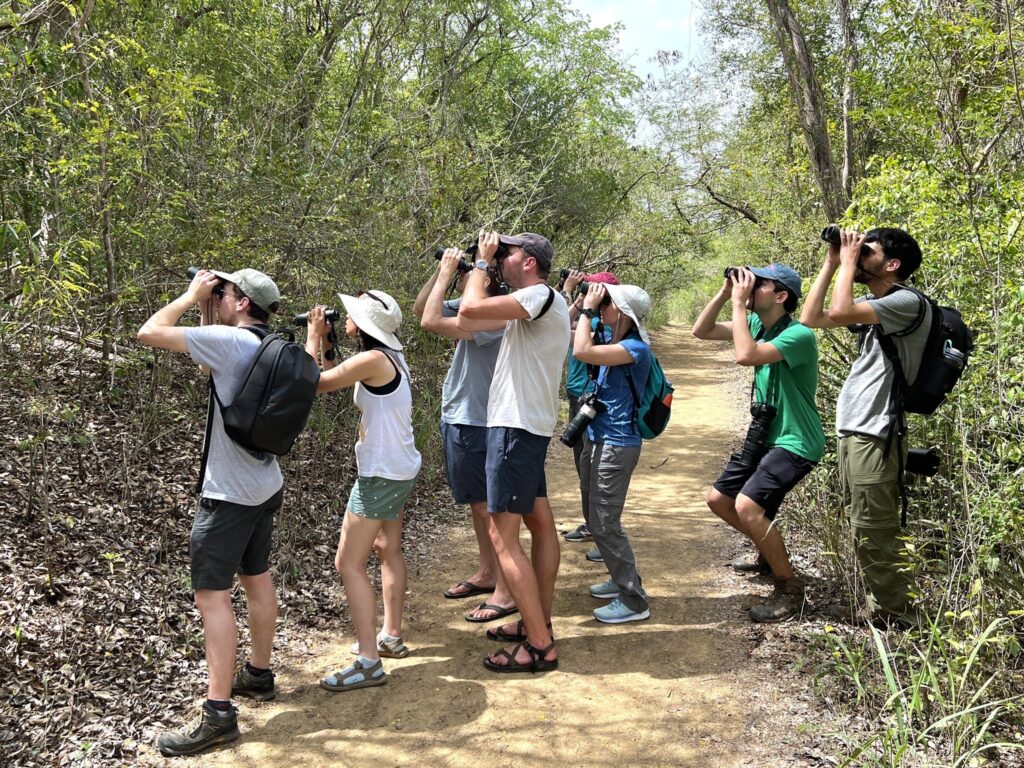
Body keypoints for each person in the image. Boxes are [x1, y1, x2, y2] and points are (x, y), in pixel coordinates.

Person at [137, 268, 285, 756]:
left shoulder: (229, 340)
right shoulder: (268, 345)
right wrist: (209, 305)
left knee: (210, 597)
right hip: (265, 485)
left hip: (228, 496)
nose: (218, 297)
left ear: (242, 303)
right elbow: (209, 372)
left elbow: (149, 333)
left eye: (225, 293)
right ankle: (258, 675)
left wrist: (188, 295)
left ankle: (218, 715)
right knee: (256, 577)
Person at [801, 227, 929, 627]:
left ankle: (902, 618)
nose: (857, 252)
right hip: (858, 429)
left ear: (892, 265)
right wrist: (831, 262)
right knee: (863, 524)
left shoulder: (906, 301)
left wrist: (849, 262)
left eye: (867, 250)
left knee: (875, 528)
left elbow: (837, 312)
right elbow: (811, 317)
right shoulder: (879, 307)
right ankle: (883, 608)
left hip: (877, 432)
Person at [457, 230, 569, 673]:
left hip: (514, 426)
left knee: (502, 535)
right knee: (539, 522)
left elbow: (468, 309)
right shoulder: (541, 302)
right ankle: (536, 623)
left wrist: (482, 263)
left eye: (508, 252)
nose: (501, 257)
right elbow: (465, 322)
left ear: (530, 262)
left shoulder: (539, 293)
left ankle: (540, 645)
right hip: (528, 424)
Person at [693, 264, 824, 622]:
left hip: (796, 440)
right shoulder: (755, 325)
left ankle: (789, 589)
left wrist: (738, 303)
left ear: (781, 296)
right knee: (719, 499)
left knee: (748, 506)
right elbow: (700, 330)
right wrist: (725, 294)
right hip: (765, 435)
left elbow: (745, 355)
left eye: (760, 283)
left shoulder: (798, 335)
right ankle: (767, 550)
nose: (750, 287)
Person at [305, 291, 422, 691]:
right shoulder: (388, 357)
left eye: (352, 315)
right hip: (399, 467)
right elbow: (342, 376)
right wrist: (329, 342)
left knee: (347, 563)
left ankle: (369, 662)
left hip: (381, 474)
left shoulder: (374, 359)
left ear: (366, 324)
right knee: (387, 549)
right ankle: (390, 636)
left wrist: (312, 335)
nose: (347, 317)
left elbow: (317, 383)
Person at [413, 250, 516, 622]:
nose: (461, 276)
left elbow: (429, 322)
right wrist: (441, 271)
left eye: (469, 272)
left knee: (493, 509)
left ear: (485, 279)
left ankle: (506, 590)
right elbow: (420, 307)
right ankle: (489, 573)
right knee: (477, 504)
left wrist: (451, 274)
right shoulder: (474, 305)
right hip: (462, 414)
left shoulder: (494, 313)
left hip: (480, 418)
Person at [572, 282, 653, 623]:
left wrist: (589, 311)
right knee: (594, 516)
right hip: (597, 437)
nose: (601, 308)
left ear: (621, 312)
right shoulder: (613, 341)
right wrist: (580, 304)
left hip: (618, 443)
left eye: (607, 304)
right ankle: (623, 580)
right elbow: (574, 337)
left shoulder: (635, 348)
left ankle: (635, 601)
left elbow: (581, 352)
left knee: (605, 522)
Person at [558, 269, 621, 551]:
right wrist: (573, 294)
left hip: (593, 404)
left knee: (595, 470)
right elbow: (558, 325)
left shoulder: (608, 325)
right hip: (576, 400)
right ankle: (592, 526)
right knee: (584, 468)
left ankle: (602, 532)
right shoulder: (590, 318)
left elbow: (563, 332)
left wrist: (577, 301)